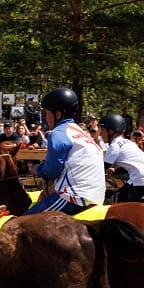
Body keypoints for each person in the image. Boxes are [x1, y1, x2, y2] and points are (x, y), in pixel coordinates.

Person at [25, 87, 105, 215]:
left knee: (22, 224)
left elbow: (51, 170)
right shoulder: (81, 133)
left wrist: (38, 169)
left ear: (58, 114)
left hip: (73, 197)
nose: (45, 118)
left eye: (47, 113)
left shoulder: (57, 133)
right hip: (97, 197)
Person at [99, 113, 144, 203]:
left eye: (102, 130)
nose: (100, 134)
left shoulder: (114, 146)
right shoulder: (128, 142)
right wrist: (117, 171)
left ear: (111, 131)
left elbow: (101, 169)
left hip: (139, 181)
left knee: (117, 203)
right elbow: (132, 163)